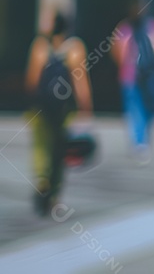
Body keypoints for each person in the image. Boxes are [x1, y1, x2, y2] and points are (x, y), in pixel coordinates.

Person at [24, 12, 92, 216]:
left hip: (42, 109)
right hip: (64, 111)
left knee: (41, 147)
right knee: (59, 150)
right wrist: (86, 108)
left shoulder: (40, 47)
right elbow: (80, 82)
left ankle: (42, 181)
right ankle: (54, 194)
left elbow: (32, 80)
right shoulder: (75, 48)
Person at [111, 0, 154, 164]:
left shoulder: (125, 29)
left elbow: (116, 52)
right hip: (143, 76)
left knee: (137, 109)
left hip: (134, 75)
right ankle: (141, 141)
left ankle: (140, 142)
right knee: (142, 109)